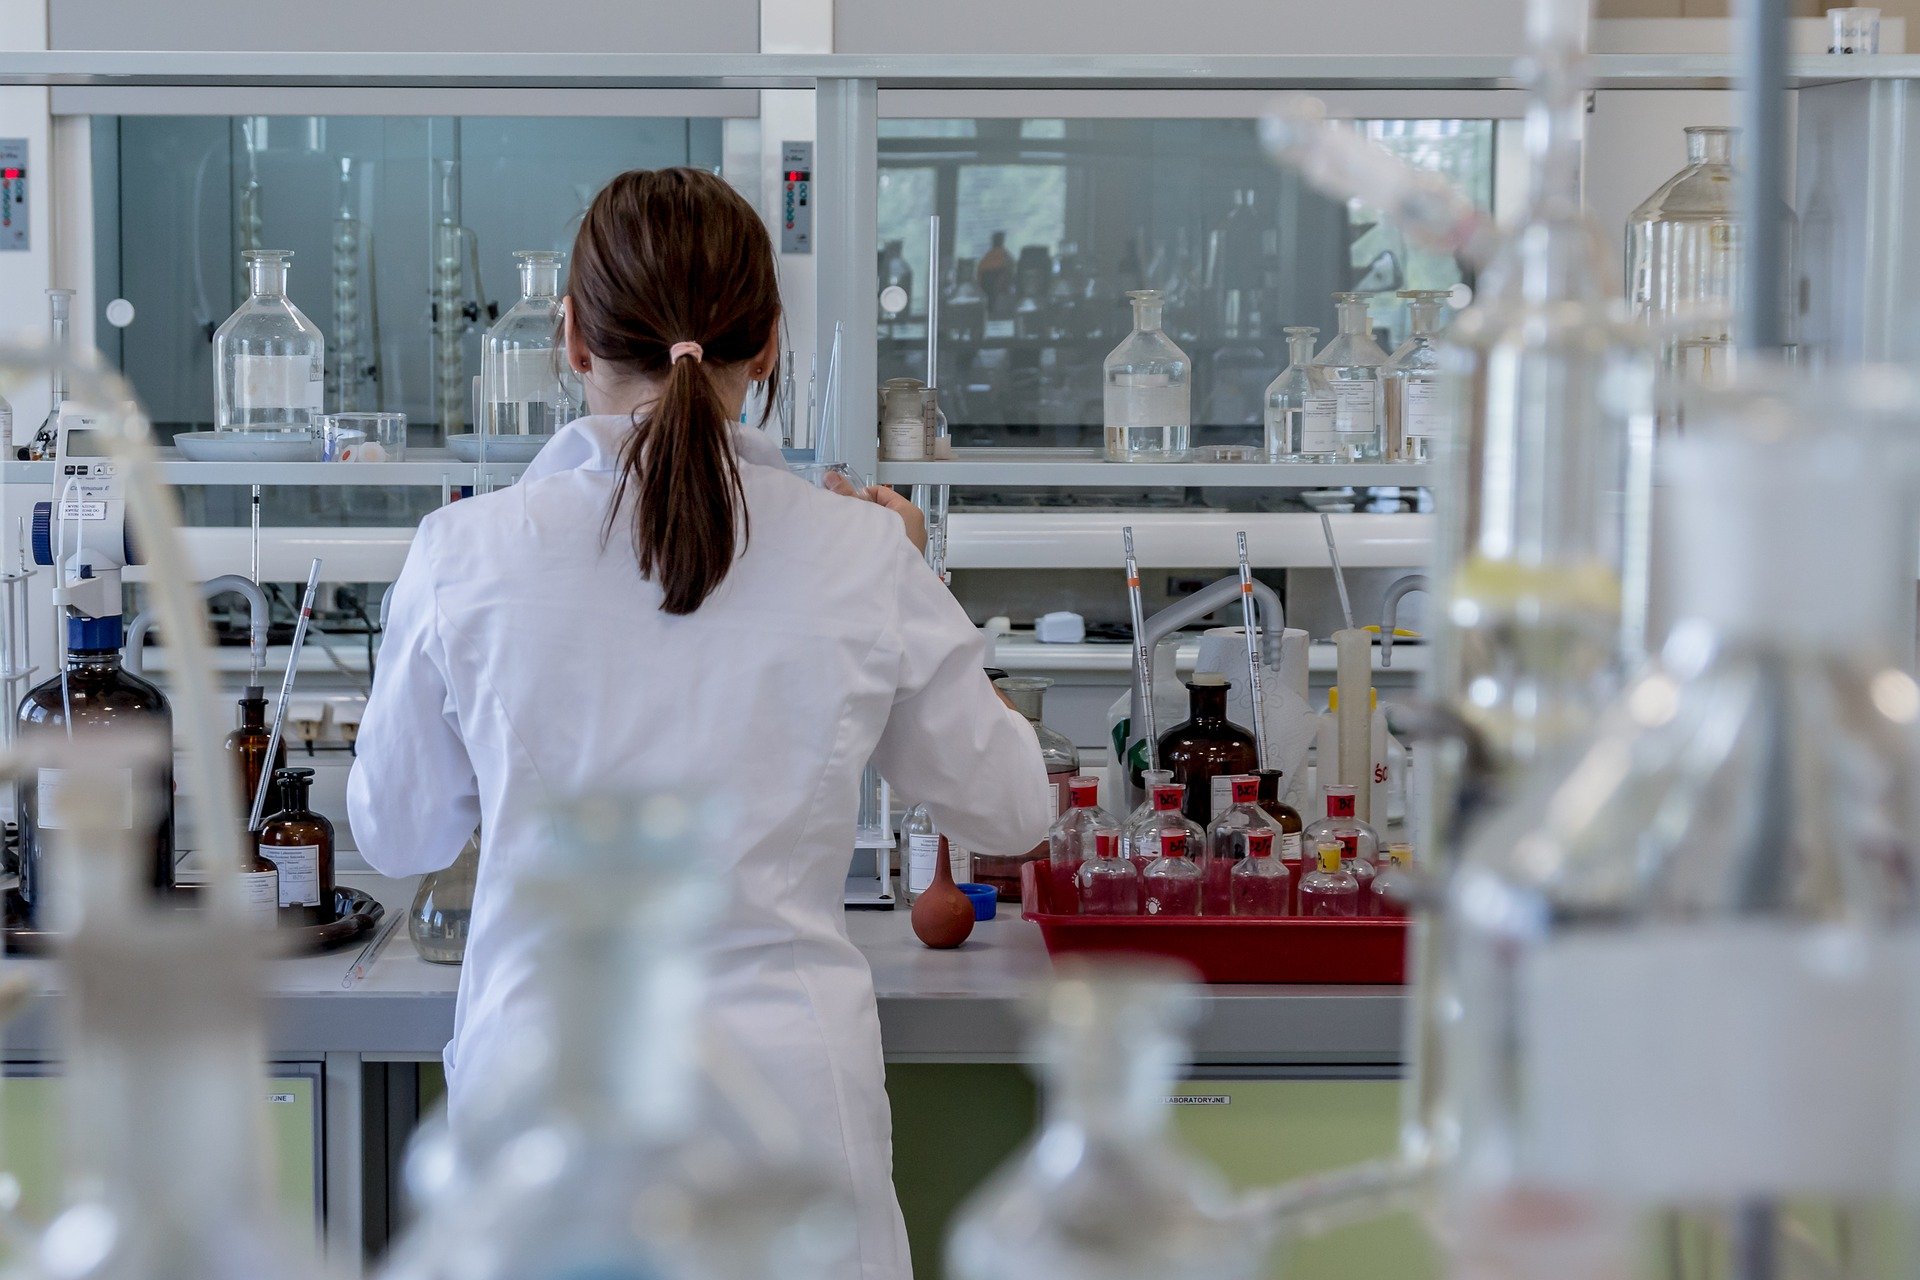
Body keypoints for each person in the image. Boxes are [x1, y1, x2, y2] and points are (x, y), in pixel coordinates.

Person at [347, 168, 1053, 1280]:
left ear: (571, 337)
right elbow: (1012, 806)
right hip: (790, 1127)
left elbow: (398, 836)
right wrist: (921, 573)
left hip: (544, 1120)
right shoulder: (863, 552)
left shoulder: (463, 554)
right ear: (767, 343)